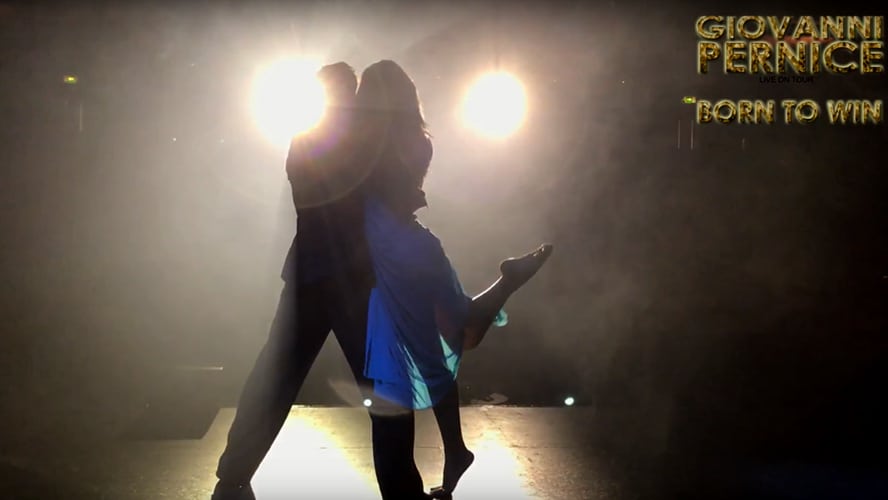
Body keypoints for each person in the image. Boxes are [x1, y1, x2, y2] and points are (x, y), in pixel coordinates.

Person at [211, 62, 431, 500]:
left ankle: (234, 472)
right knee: (385, 389)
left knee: (276, 377)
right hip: (357, 283)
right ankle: (402, 493)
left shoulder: (313, 140)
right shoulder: (378, 144)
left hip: (312, 278)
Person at [353, 60, 553, 499]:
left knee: (440, 344)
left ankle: (456, 449)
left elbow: (372, 200)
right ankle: (456, 448)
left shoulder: (367, 144)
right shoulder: (417, 142)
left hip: (393, 253)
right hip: (417, 247)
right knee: (447, 338)